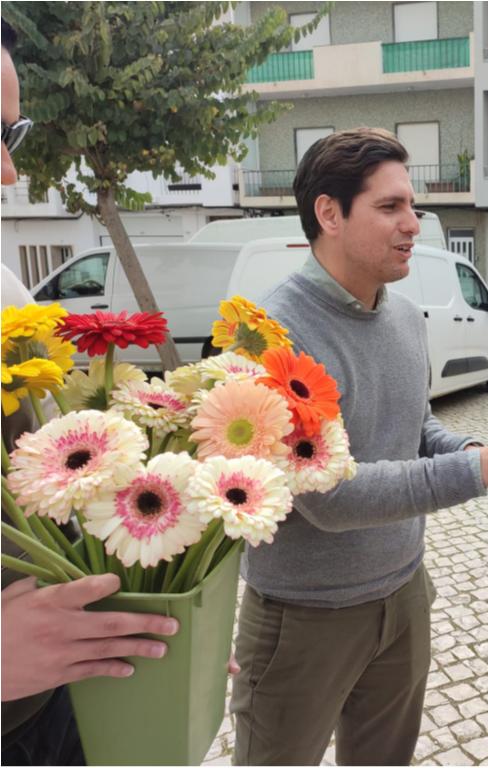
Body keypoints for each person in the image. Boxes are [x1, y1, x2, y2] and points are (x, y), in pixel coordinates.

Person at [229, 127, 488, 766]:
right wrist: (477, 470)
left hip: (404, 594)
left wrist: (473, 447)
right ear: (329, 213)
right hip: (304, 617)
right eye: (390, 207)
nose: (413, 223)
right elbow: (329, 497)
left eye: (412, 205)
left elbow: (416, 427)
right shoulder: (269, 334)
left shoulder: (407, 317)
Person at [1, 19, 179, 765]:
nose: (8, 173)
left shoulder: (7, 296)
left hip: (59, 707)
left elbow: (49, 479)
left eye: (12, 135)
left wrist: (158, 602)